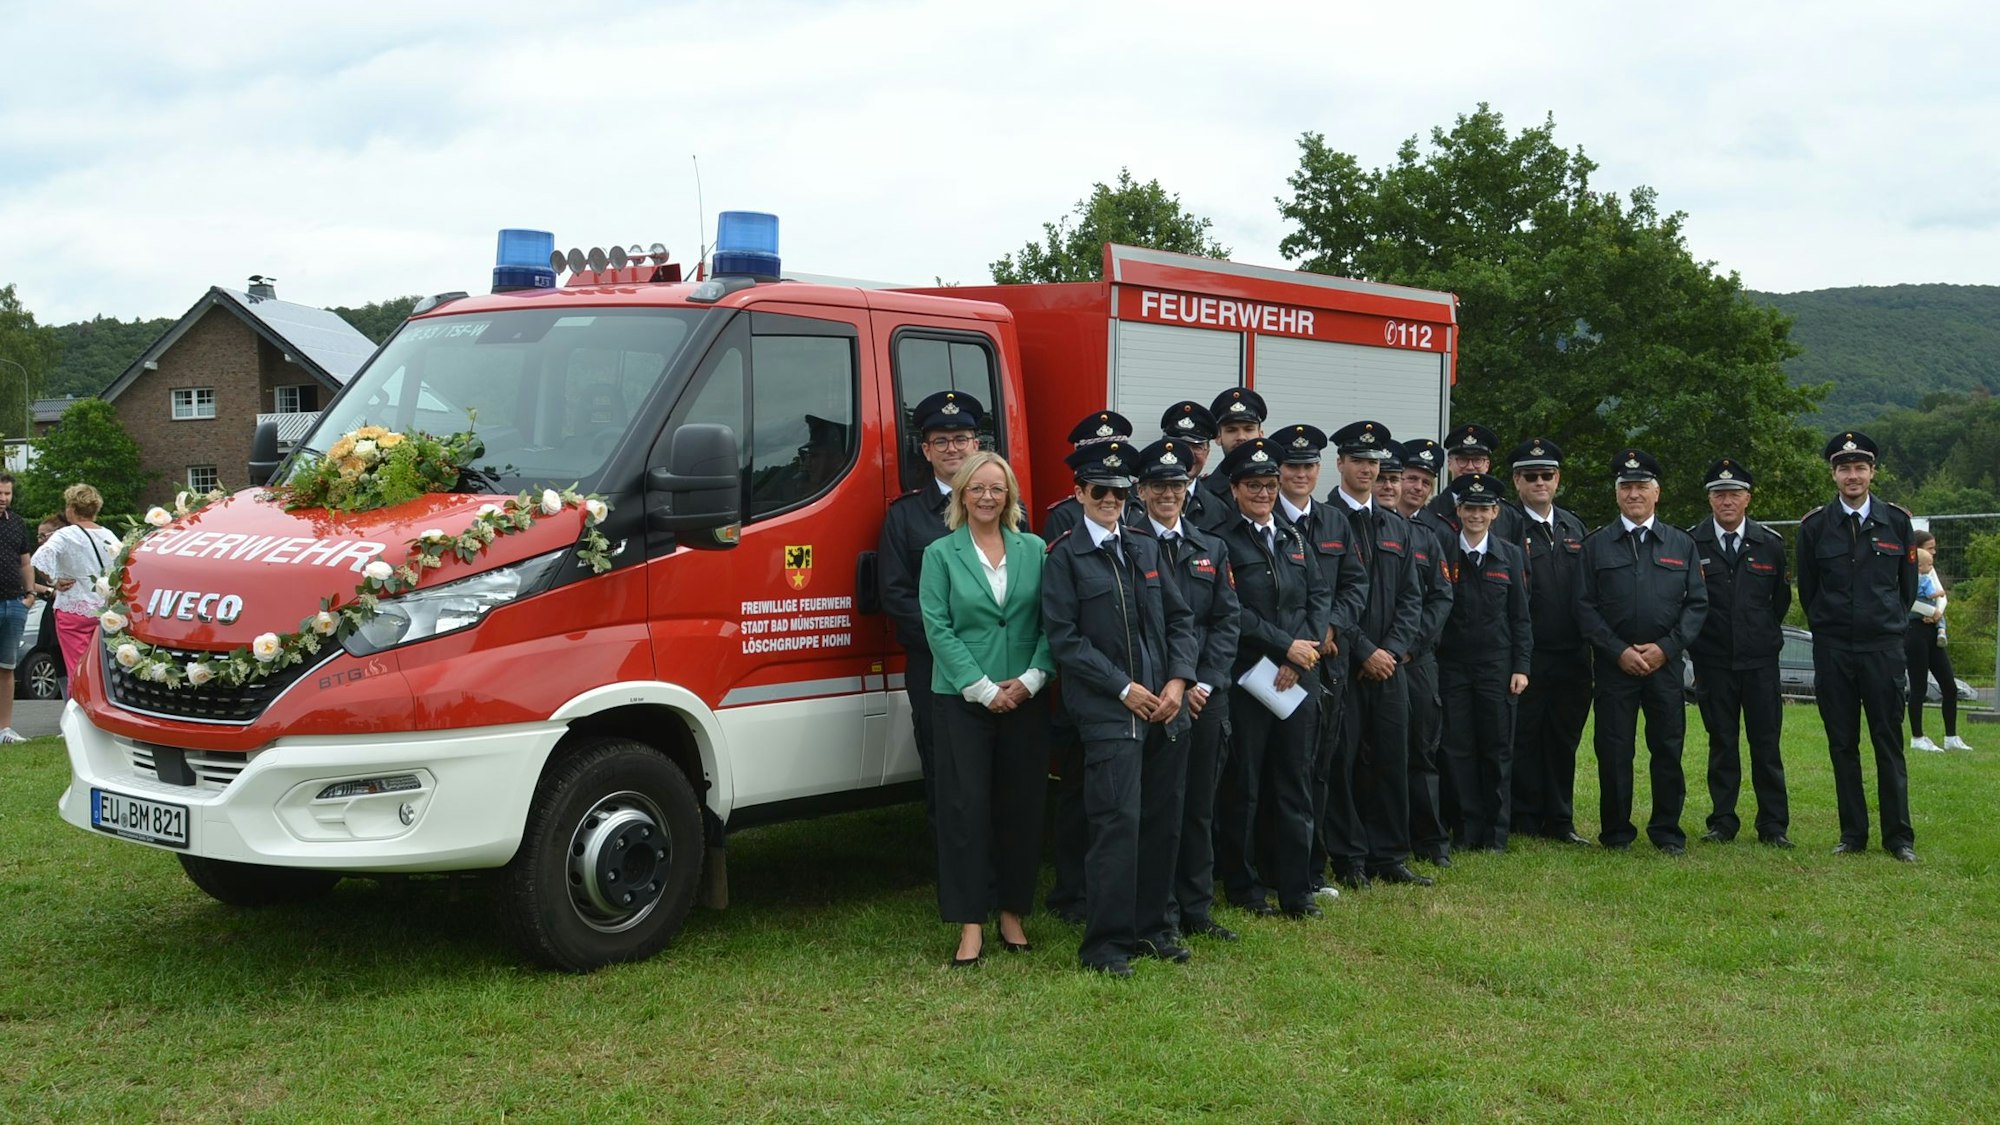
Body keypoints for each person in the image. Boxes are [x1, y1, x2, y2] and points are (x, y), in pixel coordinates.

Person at [1042, 440, 1200, 976]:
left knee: (1162, 822)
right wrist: (1123, 689)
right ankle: (1106, 945)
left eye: (1119, 491)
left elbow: (1180, 619)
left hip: (1165, 708)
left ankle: (1154, 928)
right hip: (1112, 712)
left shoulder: (1144, 547)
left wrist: (1178, 681)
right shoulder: (1064, 555)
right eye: (1099, 490)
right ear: (1079, 493)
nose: (1111, 499)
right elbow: (1065, 641)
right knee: (1116, 823)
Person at [918, 450, 1056, 966]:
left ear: (1010, 496)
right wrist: (982, 688)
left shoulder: (1035, 549)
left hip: (1026, 697)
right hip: (962, 701)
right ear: (961, 495)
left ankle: (1013, 914)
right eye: (977, 488)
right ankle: (970, 924)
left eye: (996, 488)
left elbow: (1052, 622)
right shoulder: (940, 554)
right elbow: (937, 627)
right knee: (964, 811)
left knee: (1021, 809)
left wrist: (1029, 680)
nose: (986, 497)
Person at [1212, 437, 1330, 919]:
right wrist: (1283, 645)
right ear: (1235, 489)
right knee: (1245, 786)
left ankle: (1296, 890)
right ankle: (1245, 888)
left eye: (1269, 484)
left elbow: (1318, 596)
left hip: (1295, 678)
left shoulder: (1294, 537)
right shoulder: (1220, 540)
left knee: (1294, 783)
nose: (1263, 493)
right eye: (1253, 485)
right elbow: (1228, 609)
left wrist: (1300, 653)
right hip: (1246, 678)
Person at [1131, 437, 1243, 945]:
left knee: (1199, 807)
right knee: (1159, 810)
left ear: (1187, 488)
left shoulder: (1210, 547)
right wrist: (1170, 683)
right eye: (1158, 485)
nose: (1168, 494)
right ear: (1143, 490)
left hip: (1204, 697)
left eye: (1176, 485)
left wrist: (1200, 681)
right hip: (1153, 699)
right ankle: (1161, 912)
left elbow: (1226, 623)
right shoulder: (1130, 546)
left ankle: (1197, 907)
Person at [1576, 449, 1708, 854]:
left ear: (1657, 493)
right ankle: (1616, 833)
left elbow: (1697, 604)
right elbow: (1584, 606)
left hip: (1664, 667)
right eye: (1626, 487)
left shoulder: (1680, 543)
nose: (1634, 494)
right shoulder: (1596, 544)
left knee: (1668, 749)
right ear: (1617, 495)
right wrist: (1618, 651)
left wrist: (1665, 648)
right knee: (1615, 751)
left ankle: (1667, 832)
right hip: (1616, 668)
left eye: (1641, 487)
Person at [1797, 431, 1918, 862]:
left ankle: (1899, 837)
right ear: (1833, 474)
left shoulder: (1898, 522)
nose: (1853, 475)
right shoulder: (1814, 527)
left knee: (1888, 742)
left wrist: (1883, 626)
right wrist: (1833, 630)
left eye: (1860, 467)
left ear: (1872, 472)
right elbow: (1808, 592)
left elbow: (1905, 591)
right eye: (1844, 468)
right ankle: (1853, 834)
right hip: (1834, 650)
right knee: (1842, 744)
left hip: (1883, 649)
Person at [1040, 409, 1133, 926]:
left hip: (1137, 684)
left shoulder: (1134, 518)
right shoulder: (1062, 523)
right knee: (1078, 792)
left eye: (1120, 443)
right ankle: (1072, 890)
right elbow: (1064, 623)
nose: (1111, 499)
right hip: (1089, 688)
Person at [1327, 421, 1429, 887]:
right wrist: (1364, 650)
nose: (1368, 469)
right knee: (1343, 761)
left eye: (1375, 463)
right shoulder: (1325, 520)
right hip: (1342, 664)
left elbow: (1413, 596)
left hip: (1390, 666)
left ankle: (1388, 854)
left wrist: (1392, 650)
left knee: (1392, 757)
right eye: (1359, 461)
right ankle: (1349, 858)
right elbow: (1325, 598)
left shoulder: (1395, 525)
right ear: (1340, 464)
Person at [878, 391, 985, 830]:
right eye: (941, 441)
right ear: (925, 450)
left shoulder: (1004, 510)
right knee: (944, 770)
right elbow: (897, 596)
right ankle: (954, 875)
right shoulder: (904, 518)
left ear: (977, 444)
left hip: (999, 665)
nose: (952, 449)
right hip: (935, 670)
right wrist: (958, 653)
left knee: (995, 770)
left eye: (961, 438)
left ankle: (995, 871)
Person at [1269, 424, 1368, 897]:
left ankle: (1312, 868)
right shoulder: (1266, 516)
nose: (1301, 474)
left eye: (1309, 466)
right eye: (1292, 466)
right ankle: (1272, 869)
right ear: (1278, 471)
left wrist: (1328, 630)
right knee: (1277, 772)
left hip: (1328, 664)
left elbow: (1353, 585)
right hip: (1275, 668)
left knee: (1320, 767)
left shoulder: (1334, 521)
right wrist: (1304, 641)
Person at [1687, 459, 1793, 847]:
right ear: (1710, 499)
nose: (1726, 501)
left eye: (1734, 494)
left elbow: (1779, 601)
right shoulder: (1692, 542)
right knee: (1722, 745)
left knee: (1766, 746)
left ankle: (1773, 826)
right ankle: (1723, 822)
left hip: (1760, 662)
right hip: (1713, 662)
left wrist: (1758, 635)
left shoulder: (1770, 544)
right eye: (1719, 494)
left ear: (1747, 498)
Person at [1504, 438, 1594, 845]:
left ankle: (1559, 819)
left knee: (1564, 738)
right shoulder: (1505, 524)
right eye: (1530, 476)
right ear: (1516, 481)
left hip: (1573, 653)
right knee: (1523, 736)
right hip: (1528, 652)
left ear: (1557, 479)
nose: (1539, 482)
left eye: (1547, 475)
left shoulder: (1574, 527)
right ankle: (1523, 816)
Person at [1437, 473, 1531, 851]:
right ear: (1457, 511)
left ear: (1495, 512)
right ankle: (1465, 830)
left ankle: (1495, 834)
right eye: (1469, 508)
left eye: (1483, 509)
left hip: (1497, 666)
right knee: (1456, 749)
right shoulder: (1444, 551)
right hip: (1453, 665)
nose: (1476, 515)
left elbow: (1522, 616)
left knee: (1497, 749)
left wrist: (1522, 666)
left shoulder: (1510, 555)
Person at [1394, 439, 1456, 866]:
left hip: (1417, 661)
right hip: (1375, 661)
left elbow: (1441, 598)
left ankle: (1431, 841)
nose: (1416, 487)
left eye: (1424, 482)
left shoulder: (1429, 537)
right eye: (1410, 479)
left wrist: (1410, 648)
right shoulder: (1371, 528)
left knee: (1423, 752)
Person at [31, 484, 124, 684]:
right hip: (105, 612)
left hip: (73, 609)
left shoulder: (65, 534)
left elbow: (40, 558)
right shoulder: (109, 535)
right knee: (103, 670)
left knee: (78, 669)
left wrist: (54, 581)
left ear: (72, 509)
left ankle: (80, 709)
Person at [1908, 533, 1971, 752]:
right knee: (1918, 687)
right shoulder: (1906, 570)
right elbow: (1905, 600)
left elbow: (1942, 597)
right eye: (1930, 548)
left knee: (1949, 687)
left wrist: (1936, 614)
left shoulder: (1928, 569)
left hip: (1932, 630)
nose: (1934, 552)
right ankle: (1917, 738)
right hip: (1914, 632)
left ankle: (1951, 737)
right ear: (1917, 550)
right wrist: (1930, 610)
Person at [0, 473, 42, 744]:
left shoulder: (16, 523)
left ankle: (4, 730)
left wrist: (29, 595)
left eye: (7, 494)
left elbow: (25, 563)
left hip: (14, 603)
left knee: (6, 668)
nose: (3, 499)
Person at [1194, 387, 1267, 527]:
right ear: (1218, 437)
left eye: (1248, 429)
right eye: (1231, 430)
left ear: (1260, 434)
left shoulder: (1277, 489)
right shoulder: (1202, 493)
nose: (1241, 437)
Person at [1147, 402, 1221, 530]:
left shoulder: (1219, 509)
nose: (1189, 455)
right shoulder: (1133, 503)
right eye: (1181, 445)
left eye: (1197, 447)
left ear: (1207, 453)